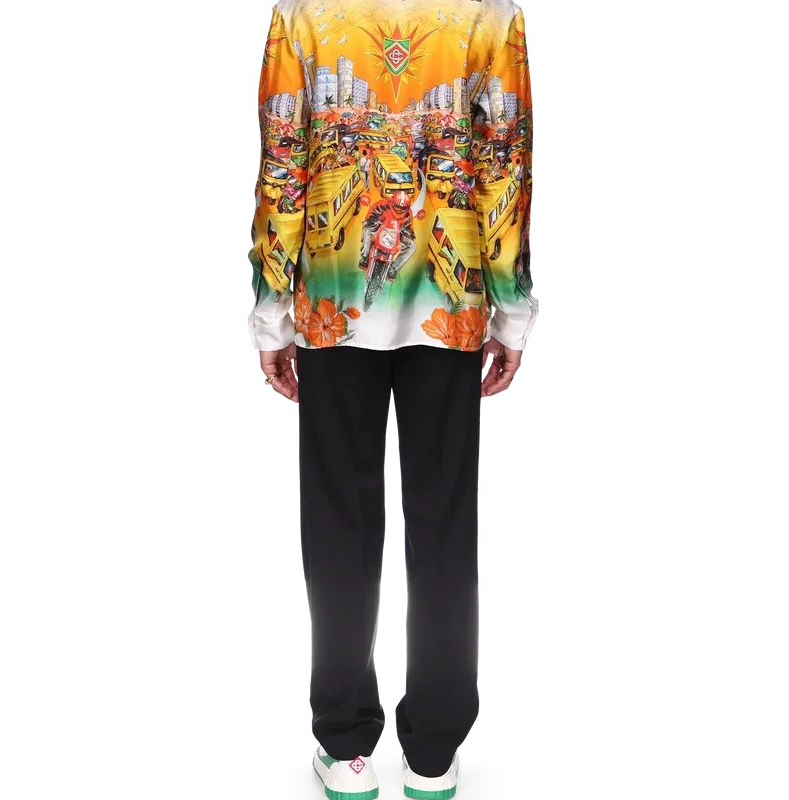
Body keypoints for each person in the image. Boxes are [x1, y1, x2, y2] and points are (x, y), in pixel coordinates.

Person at [251, 1, 536, 798]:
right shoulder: (489, 11)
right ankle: (435, 749)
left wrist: (270, 316)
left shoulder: (302, 11)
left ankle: (344, 744)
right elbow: (507, 163)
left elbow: (282, 161)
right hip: (454, 303)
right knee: (443, 518)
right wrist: (512, 315)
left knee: (337, 519)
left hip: (331, 301)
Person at [358, 190, 417, 281]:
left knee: (412, 246)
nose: (399, 210)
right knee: (367, 230)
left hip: (396, 235)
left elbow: (409, 227)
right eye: (397, 206)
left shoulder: (408, 214)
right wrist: (372, 221)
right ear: (391, 202)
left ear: (407, 207)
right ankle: (365, 257)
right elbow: (371, 214)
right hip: (379, 229)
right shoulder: (381, 205)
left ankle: (393, 268)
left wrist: (409, 234)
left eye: (403, 208)